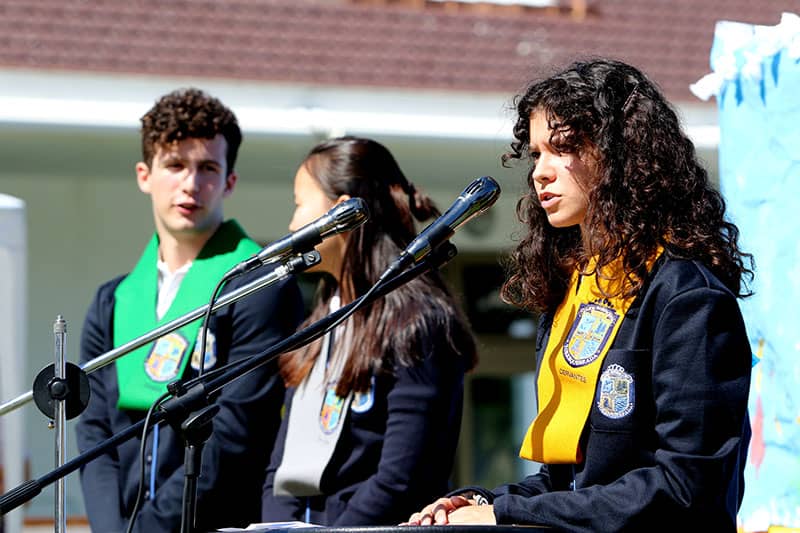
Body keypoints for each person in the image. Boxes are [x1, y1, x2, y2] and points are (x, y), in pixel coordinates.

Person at [406, 58, 754, 531]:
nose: (540, 173)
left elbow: (687, 488)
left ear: (622, 153)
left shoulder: (687, 295)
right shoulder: (572, 290)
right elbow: (571, 485)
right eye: (535, 154)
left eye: (562, 148)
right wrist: (476, 501)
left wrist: (504, 512)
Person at [75, 88, 303, 533]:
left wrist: (148, 530)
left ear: (230, 182)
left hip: (219, 524)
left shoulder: (257, 285)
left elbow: (237, 432)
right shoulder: (113, 299)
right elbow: (95, 432)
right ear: (144, 174)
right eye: (175, 165)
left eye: (208, 168)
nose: (191, 185)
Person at [260, 136, 477, 526]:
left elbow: (401, 478)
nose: (292, 224)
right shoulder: (318, 324)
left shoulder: (418, 320)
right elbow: (279, 472)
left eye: (299, 203)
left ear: (341, 214)